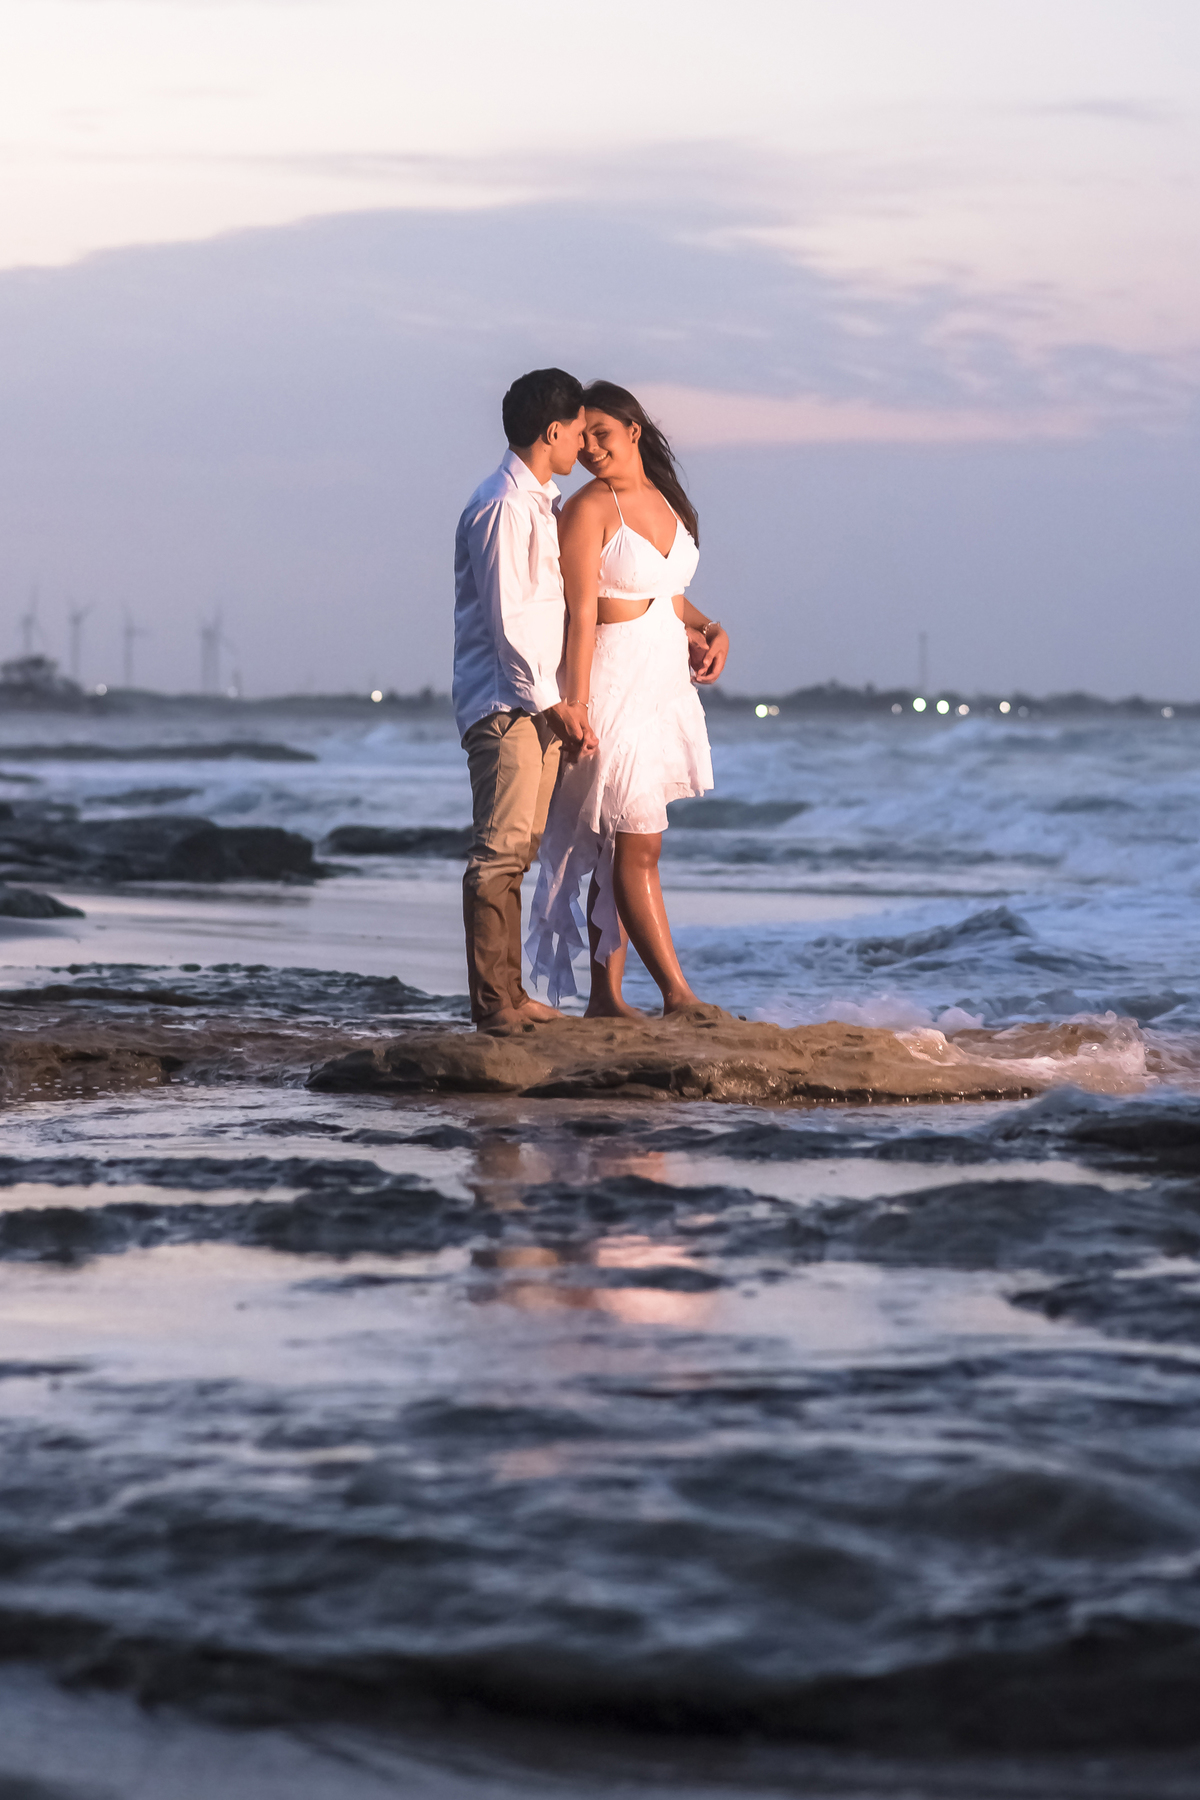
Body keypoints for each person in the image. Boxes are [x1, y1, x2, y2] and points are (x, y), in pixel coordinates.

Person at [526, 380, 729, 1017]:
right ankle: (678, 995)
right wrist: (577, 705)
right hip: (609, 683)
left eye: (602, 434)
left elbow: (667, 594)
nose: (589, 448)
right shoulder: (589, 508)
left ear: (634, 431)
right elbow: (582, 612)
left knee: (620, 841)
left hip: (662, 685)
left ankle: (607, 999)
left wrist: (709, 628)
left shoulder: (666, 500)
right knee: (639, 841)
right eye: (581, 438)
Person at [454, 368, 598, 1031]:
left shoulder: (540, 504)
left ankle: (510, 997)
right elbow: (511, 620)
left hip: (533, 706)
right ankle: (493, 1005)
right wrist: (555, 704)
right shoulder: (503, 506)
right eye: (577, 431)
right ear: (552, 431)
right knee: (499, 853)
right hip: (507, 706)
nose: (583, 444)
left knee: (520, 850)